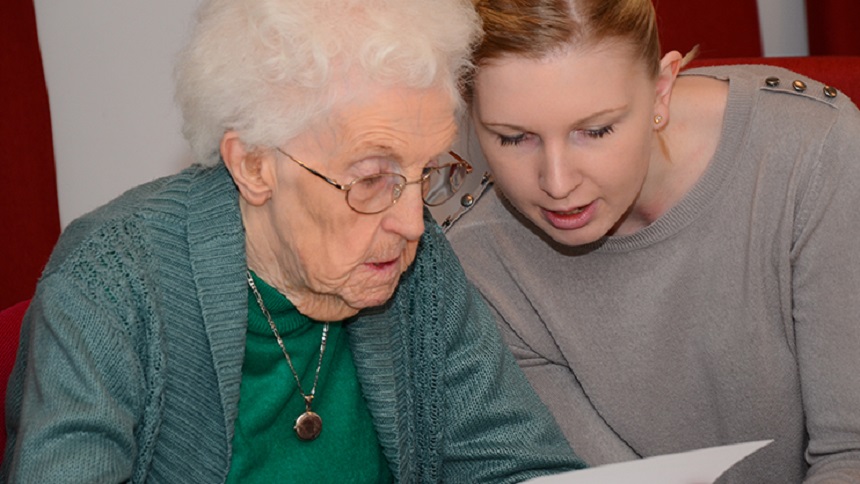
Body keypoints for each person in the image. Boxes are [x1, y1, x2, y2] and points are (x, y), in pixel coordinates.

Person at [1, 0, 588, 481]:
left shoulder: (415, 266)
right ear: (255, 167)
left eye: (428, 172)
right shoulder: (109, 286)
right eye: (372, 178)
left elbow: (523, 467)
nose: (412, 221)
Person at [444, 0, 860, 482]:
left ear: (662, 91)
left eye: (595, 130)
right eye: (514, 138)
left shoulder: (812, 152)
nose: (557, 183)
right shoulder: (473, 255)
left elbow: (851, 452)